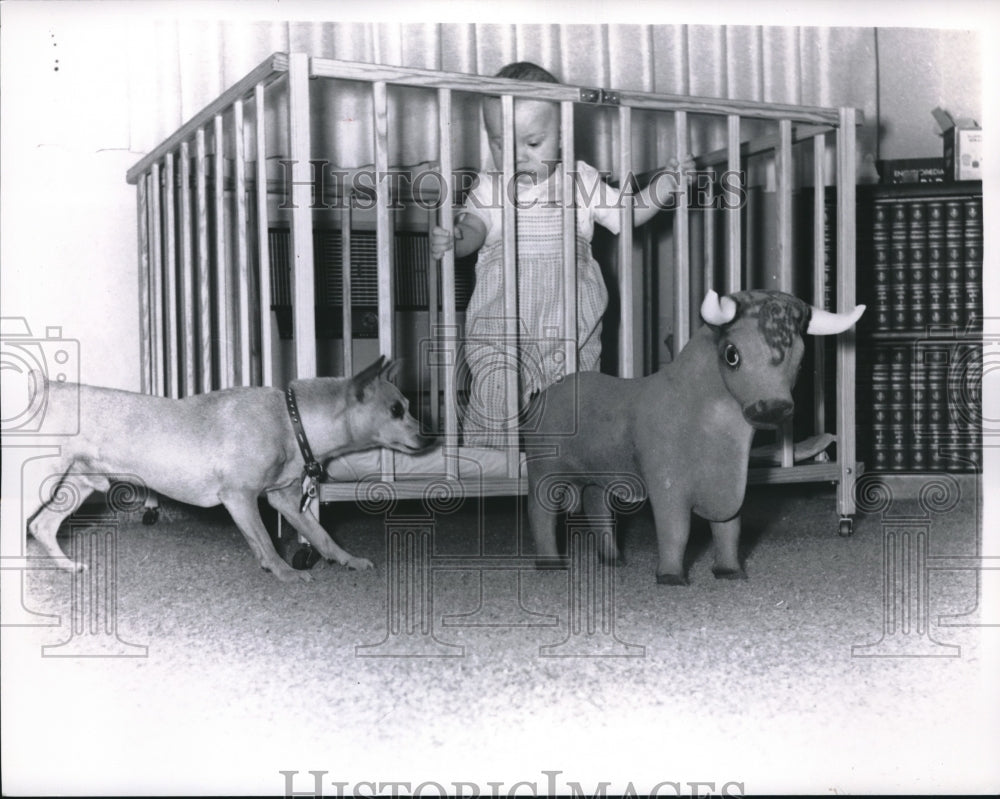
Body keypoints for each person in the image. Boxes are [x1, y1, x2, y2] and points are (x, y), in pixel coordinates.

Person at [430, 61, 689, 447]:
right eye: (501, 143)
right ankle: (496, 471)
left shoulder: (581, 181)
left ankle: (574, 470)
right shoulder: (490, 187)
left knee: (577, 405)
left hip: (572, 328)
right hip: (504, 327)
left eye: (533, 143)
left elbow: (627, 214)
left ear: (563, 135)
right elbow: (475, 228)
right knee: (496, 397)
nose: (517, 156)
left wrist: (665, 185)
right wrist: (455, 239)